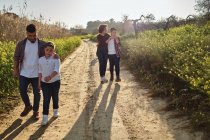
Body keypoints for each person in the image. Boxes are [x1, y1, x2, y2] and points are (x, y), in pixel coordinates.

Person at [13, 24, 45, 119]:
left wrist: (55, 56)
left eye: (34, 35)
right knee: (22, 90)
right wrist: (15, 69)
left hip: (36, 73)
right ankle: (28, 106)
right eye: (30, 35)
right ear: (26, 33)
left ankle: (35, 111)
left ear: (36, 33)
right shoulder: (20, 44)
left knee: (37, 93)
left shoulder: (42, 44)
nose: (32, 37)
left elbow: (50, 52)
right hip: (24, 72)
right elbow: (16, 57)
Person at [38, 42, 61, 125]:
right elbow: (40, 73)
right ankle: (45, 118)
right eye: (47, 50)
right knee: (46, 99)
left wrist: (50, 77)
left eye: (51, 50)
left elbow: (57, 70)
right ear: (44, 50)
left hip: (55, 82)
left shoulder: (56, 58)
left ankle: (55, 111)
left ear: (53, 51)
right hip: (44, 83)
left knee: (55, 97)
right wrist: (39, 83)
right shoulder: (40, 60)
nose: (48, 52)